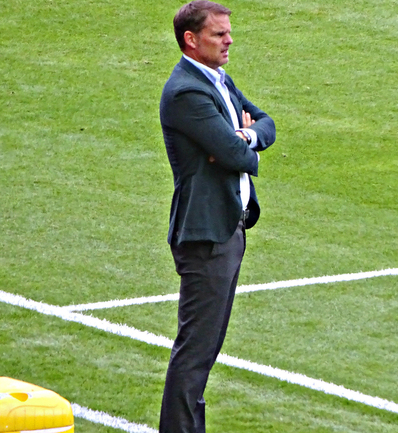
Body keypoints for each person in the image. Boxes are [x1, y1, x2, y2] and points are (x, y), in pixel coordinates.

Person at [157, 1, 276, 432]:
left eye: (228, 32)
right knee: (196, 351)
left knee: (204, 351)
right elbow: (233, 155)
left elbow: (265, 124)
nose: (229, 40)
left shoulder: (217, 79)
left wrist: (243, 133)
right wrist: (241, 143)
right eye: (219, 34)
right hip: (206, 237)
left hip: (229, 229)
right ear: (191, 40)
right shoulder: (186, 91)